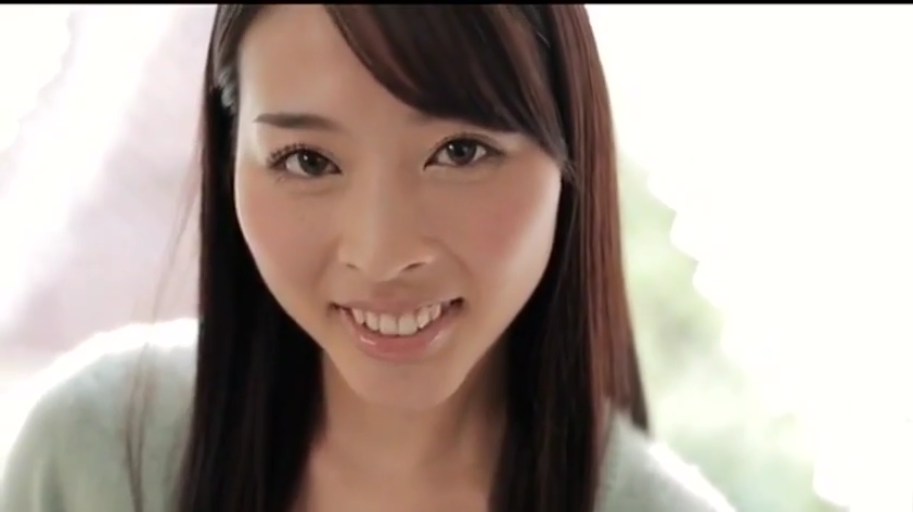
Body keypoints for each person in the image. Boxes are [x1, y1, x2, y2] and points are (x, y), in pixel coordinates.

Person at [0, 5, 733, 512]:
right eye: (307, 160)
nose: (381, 255)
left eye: (460, 152)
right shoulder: (92, 459)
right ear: (231, 161)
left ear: (569, 154)